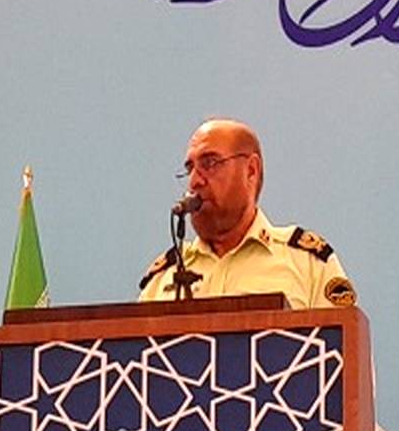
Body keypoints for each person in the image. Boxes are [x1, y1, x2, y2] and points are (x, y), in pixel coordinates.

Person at [139, 118, 356, 308]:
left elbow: (346, 339)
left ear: (251, 170)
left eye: (210, 163)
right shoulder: (163, 277)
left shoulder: (307, 264)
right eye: (190, 169)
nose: (195, 181)